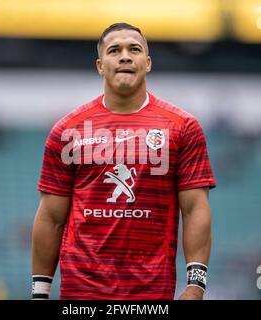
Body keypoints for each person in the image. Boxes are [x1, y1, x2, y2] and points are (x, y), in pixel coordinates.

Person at [31, 22, 216, 300]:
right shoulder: (68, 130)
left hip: (151, 294)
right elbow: (51, 216)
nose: (125, 56)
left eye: (135, 49)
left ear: (148, 63)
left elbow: (195, 210)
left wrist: (195, 285)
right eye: (114, 50)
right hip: (82, 294)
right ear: (100, 65)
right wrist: (39, 292)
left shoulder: (182, 127)